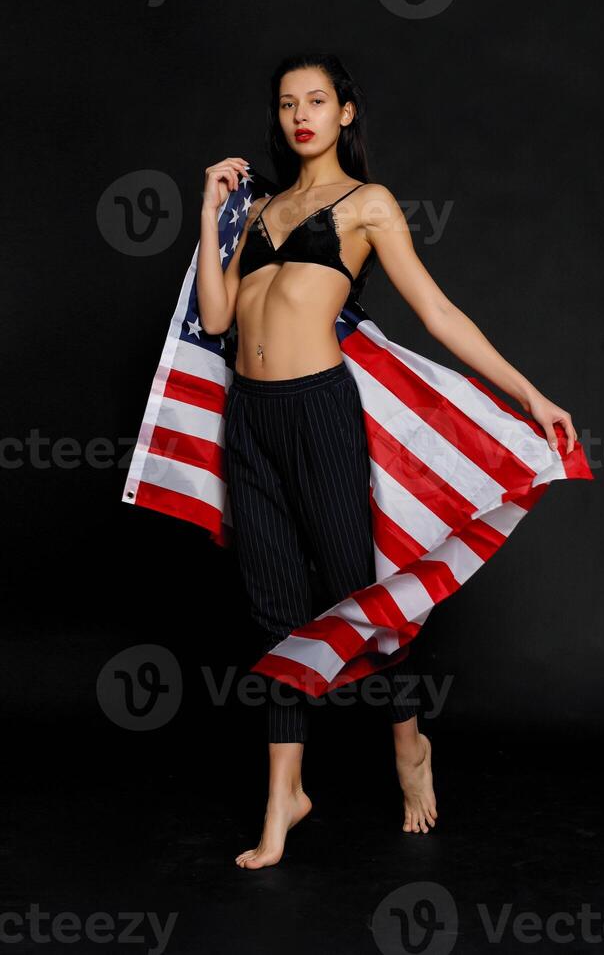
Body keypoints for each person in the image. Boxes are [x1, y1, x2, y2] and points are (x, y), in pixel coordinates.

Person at [196, 53, 578, 870]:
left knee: (361, 601)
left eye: (317, 101)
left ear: (345, 114)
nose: (301, 114)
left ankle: (409, 747)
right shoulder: (255, 208)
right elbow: (217, 314)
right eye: (288, 103)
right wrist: (209, 212)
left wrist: (532, 395)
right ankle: (284, 801)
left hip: (321, 413)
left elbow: (438, 310)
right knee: (273, 614)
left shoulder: (366, 205)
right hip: (250, 417)